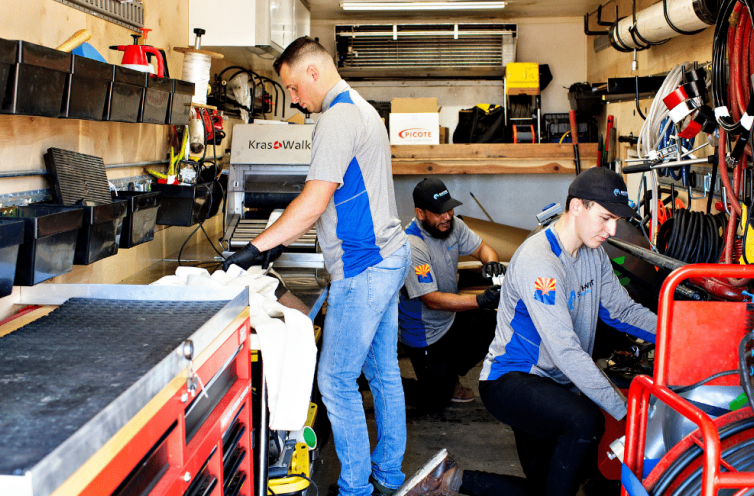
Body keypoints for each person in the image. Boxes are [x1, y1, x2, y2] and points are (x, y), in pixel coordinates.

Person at [223, 37, 410, 496]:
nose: (292, 98)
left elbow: (313, 202)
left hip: (364, 267)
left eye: (291, 87)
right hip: (389, 255)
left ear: (311, 73)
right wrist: (275, 239)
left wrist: (254, 249)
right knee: (382, 371)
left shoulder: (337, 118)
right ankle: (387, 474)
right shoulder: (363, 110)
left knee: (335, 379)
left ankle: (354, 488)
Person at [410, 167, 658, 496]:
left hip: (553, 382)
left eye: (616, 220)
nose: (611, 230)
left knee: (548, 487)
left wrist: (678, 334)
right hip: (511, 379)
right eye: (605, 218)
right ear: (577, 207)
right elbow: (566, 351)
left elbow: (622, 310)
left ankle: (449, 481)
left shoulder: (593, 254)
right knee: (585, 422)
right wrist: (625, 412)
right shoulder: (540, 261)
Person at [399, 178, 505, 409]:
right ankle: (372, 381)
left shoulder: (453, 225)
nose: (447, 216)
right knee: (435, 401)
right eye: (438, 212)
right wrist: (479, 300)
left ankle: (448, 374)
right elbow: (432, 301)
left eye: (449, 209)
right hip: (425, 333)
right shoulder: (412, 245)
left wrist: (491, 263)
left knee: (498, 322)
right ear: (420, 213)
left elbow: (483, 249)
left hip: (451, 318)